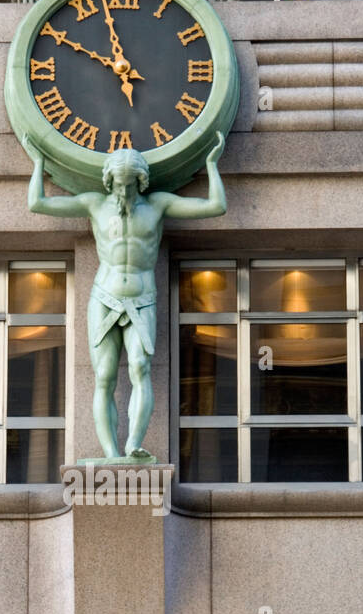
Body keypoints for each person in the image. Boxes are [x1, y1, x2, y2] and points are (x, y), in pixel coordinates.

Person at [24, 132, 227, 460]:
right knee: (104, 376)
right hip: (104, 297)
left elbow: (216, 206)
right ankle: (110, 452)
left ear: (140, 181)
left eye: (128, 185)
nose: (122, 190)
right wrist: (38, 162)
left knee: (139, 368)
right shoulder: (95, 204)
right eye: (117, 184)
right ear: (109, 181)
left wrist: (212, 164)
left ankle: (133, 444)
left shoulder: (157, 205)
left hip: (142, 298)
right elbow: (38, 203)